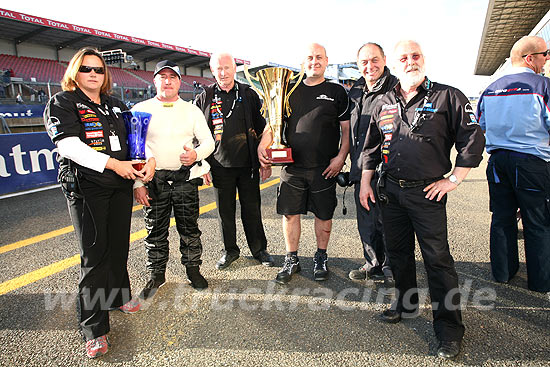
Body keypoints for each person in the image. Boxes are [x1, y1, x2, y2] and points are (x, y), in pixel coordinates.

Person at [360, 40, 484, 359]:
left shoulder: (448, 96)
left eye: (415, 56)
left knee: (438, 261)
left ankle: (450, 329)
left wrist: (454, 178)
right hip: (391, 193)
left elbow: (472, 138)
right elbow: (371, 147)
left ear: (423, 59)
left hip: (428, 192)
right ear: (395, 64)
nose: (411, 61)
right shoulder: (383, 101)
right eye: (404, 57)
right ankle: (406, 304)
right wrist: (365, 183)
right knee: (398, 254)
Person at [43, 47, 155, 359]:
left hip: (119, 186)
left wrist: (144, 170)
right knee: (95, 255)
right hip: (86, 187)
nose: (93, 74)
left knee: (118, 246)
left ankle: (119, 297)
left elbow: (138, 143)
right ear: (74, 73)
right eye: (86, 69)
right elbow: (68, 145)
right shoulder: (62, 102)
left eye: (99, 70)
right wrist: (112, 164)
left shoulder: (116, 105)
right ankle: (94, 329)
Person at [266, 43, 350, 284]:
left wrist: (340, 158)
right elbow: (273, 124)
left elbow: (347, 130)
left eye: (319, 58)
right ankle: (291, 258)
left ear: (326, 61)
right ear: (303, 63)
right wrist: (265, 146)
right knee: (290, 214)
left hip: (324, 168)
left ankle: (320, 256)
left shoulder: (337, 91)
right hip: (292, 168)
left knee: (323, 215)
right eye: (310, 58)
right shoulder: (288, 90)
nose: (315, 61)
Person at [133, 60, 215, 299]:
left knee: (189, 229)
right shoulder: (140, 109)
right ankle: (156, 275)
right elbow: (135, 150)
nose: (167, 81)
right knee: (154, 231)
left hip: (184, 179)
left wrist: (195, 155)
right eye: (162, 77)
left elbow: (209, 143)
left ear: (179, 81)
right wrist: (138, 184)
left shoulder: (191, 110)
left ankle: (193, 270)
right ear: (155, 80)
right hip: (153, 181)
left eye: (172, 77)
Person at [477, 35, 550, 293]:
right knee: (537, 221)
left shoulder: (491, 88)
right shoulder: (543, 86)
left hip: (498, 161)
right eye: (545, 54)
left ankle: (503, 273)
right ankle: (541, 282)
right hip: (532, 162)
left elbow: (481, 126)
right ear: (530, 58)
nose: (547, 58)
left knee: (502, 217)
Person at [195, 53, 274, 270]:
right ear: (212, 70)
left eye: (227, 68)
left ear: (234, 68)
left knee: (252, 210)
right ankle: (230, 250)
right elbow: (197, 134)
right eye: (219, 69)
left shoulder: (249, 94)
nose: (223, 73)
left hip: (248, 165)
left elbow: (264, 128)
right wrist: (202, 165)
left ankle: (259, 250)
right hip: (219, 166)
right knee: (224, 213)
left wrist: (264, 160)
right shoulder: (205, 97)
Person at [347, 43, 397, 285]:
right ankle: (372, 263)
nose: (370, 66)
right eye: (364, 62)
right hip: (360, 166)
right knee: (367, 220)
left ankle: (392, 268)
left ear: (385, 60)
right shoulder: (355, 90)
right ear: (358, 65)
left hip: (388, 169)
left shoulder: (397, 87)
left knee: (388, 221)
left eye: (375, 60)